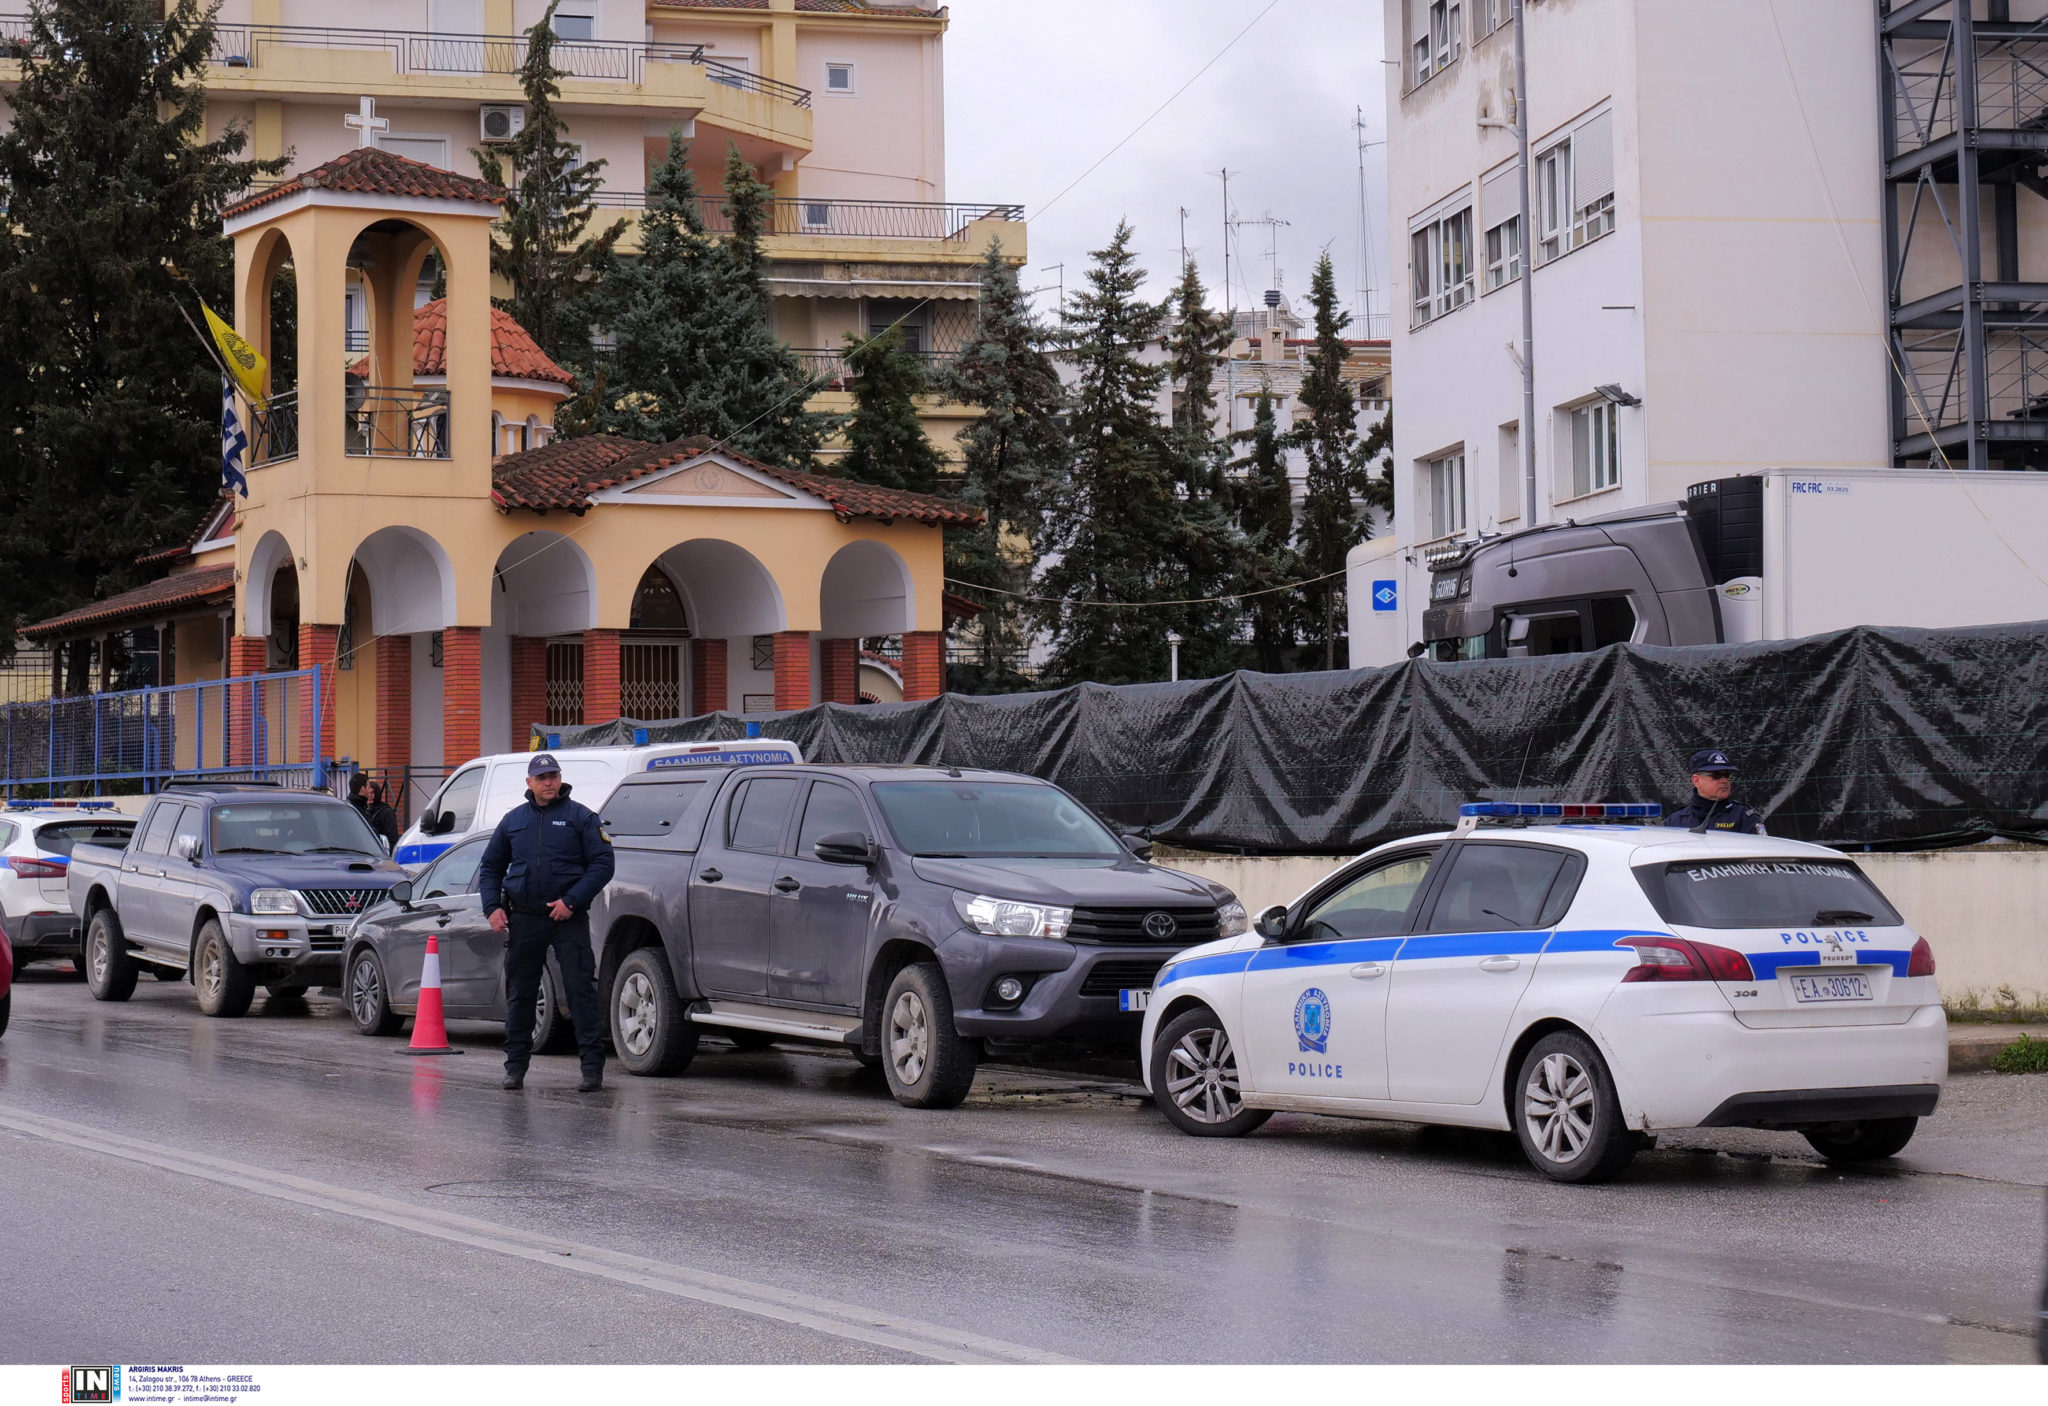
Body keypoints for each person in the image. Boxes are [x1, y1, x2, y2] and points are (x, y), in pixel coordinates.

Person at [477, 754, 615, 1092]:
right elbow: (490, 867)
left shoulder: (581, 817)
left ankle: (592, 1070)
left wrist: (571, 901)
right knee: (521, 994)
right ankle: (514, 1069)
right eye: (541, 778)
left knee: (580, 991)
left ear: (560, 778)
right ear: (530, 783)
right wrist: (492, 907)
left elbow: (603, 863)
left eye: (553, 776)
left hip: (567, 918)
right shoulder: (513, 821)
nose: (548, 782)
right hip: (525, 919)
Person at [1663, 748, 1767, 835]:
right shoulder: (1676, 820)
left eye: (1727, 775)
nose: (1724, 780)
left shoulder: (1744, 817)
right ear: (1696, 780)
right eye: (1716, 775)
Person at [362, 780, 401, 853]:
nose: (370, 796)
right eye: (368, 793)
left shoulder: (386, 812)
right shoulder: (363, 810)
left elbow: (392, 838)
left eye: (372, 792)